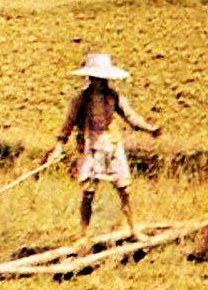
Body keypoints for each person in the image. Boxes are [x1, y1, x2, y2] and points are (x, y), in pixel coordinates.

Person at [46, 52, 160, 246]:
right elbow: (67, 124)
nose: (98, 81)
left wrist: (148, 128)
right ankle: (84, 234)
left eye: (102, 78)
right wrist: (58, 147)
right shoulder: (80, 99)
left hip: (113, 146)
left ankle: (133, 229)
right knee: (88, 193)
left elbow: (130, 116)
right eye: (95, 77)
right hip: (90, 147)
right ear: (90, 78)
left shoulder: (114, 97)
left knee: (124, 190)